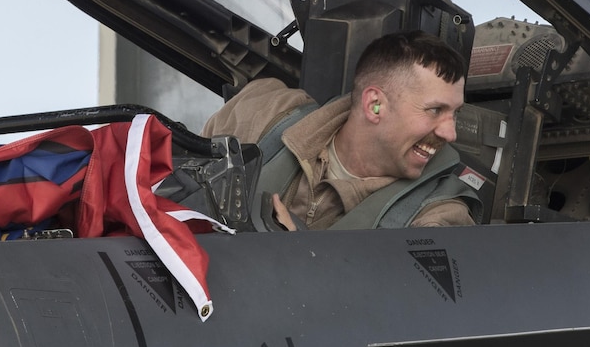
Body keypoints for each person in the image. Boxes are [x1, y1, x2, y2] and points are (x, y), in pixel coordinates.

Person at [203, 30, 483, 231]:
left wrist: (301, 259)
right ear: (375, 105)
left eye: (454, 114)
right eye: (435, 110)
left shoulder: (440, 216)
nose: (450, 134)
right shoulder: (263, 114)